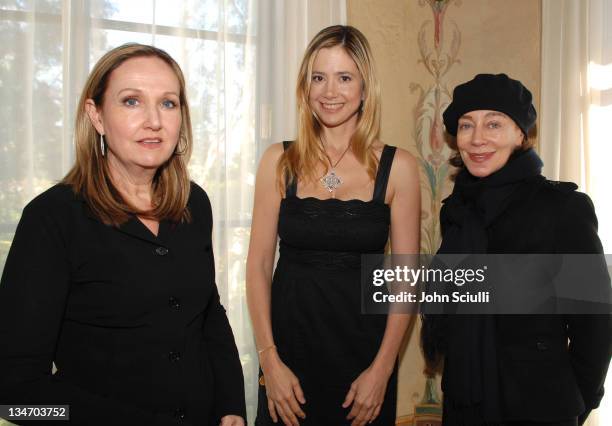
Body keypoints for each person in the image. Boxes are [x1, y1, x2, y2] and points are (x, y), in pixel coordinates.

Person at [0, 43, 246, 426]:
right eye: (131, 101)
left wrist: (231, 406)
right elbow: (14, 398)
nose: (154, 121)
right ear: (96, 116)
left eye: (168, 103)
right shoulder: (52, 219)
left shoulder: (195, 202)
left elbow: (208, 314)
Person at [246, 25, 420, 426]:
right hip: (287, 360)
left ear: (364, 87)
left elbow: (406, 278)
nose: (330, 92)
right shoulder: (279, 160)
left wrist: (382, 369)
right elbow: (257, 266)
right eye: (318, 78)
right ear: (305, 87)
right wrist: (269, 361)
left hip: (365, 364)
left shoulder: (399, 168)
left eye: (344, 78)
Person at [421, 73, 611, 426]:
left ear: (521, 134)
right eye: (466, 125)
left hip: (537, 410)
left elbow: (596, 327)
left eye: (494, 124)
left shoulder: (562, 209)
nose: (477, 139)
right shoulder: (458, 212)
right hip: (464, 403)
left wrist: (573, 406)